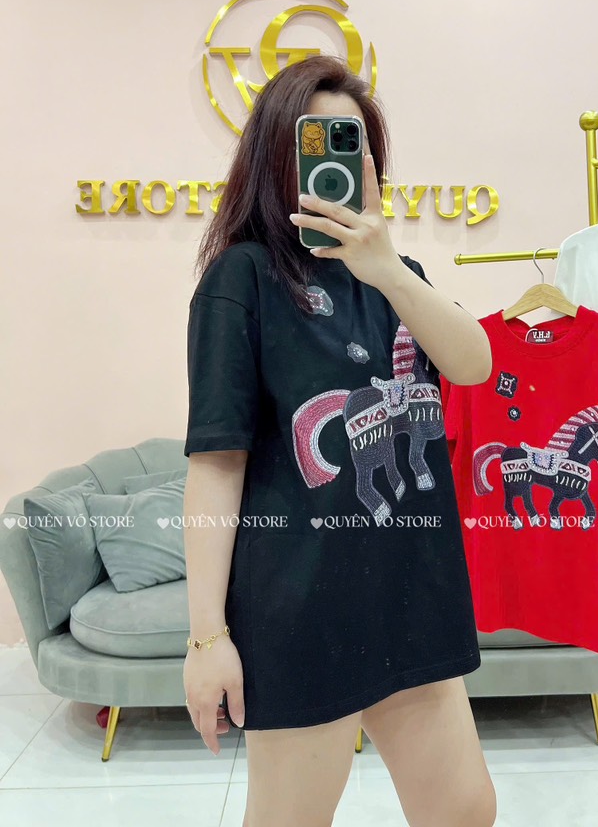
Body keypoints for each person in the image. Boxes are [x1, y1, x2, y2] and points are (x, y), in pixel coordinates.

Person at [182, 54, 496, 827]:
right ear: (276, 158)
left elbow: (474, 364)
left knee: (465, 812)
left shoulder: (397, 277)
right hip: (301, 611)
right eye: (315, 141)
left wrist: (388, 269)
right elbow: (216, 468)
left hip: (414, 593)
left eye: (352, 144)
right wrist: (206, 638)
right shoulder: (242, 280)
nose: (336, 162)